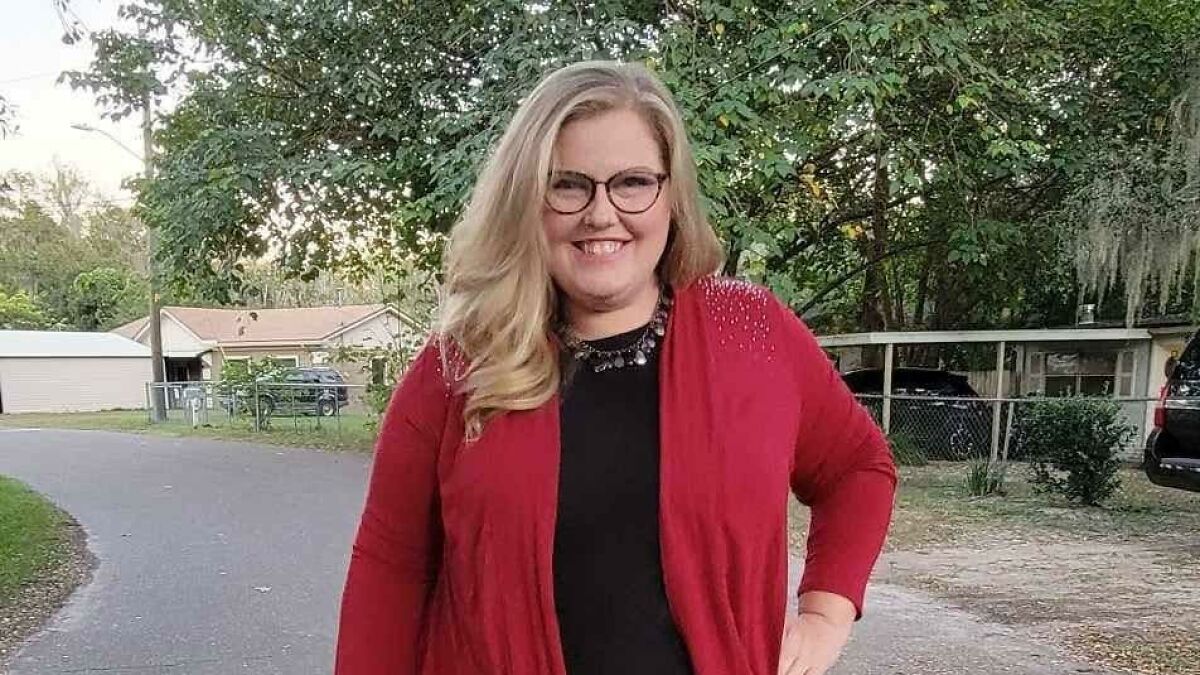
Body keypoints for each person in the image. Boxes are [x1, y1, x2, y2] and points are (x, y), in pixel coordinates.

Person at [335, 60, 896, 675]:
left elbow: (858, 468)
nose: (601, 213)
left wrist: (825, 614)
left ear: (671, 196)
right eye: (568, 184)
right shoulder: (459, 365)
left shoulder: (753, 331)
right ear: (527, 199)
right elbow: (391, 566)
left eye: (632, 182)